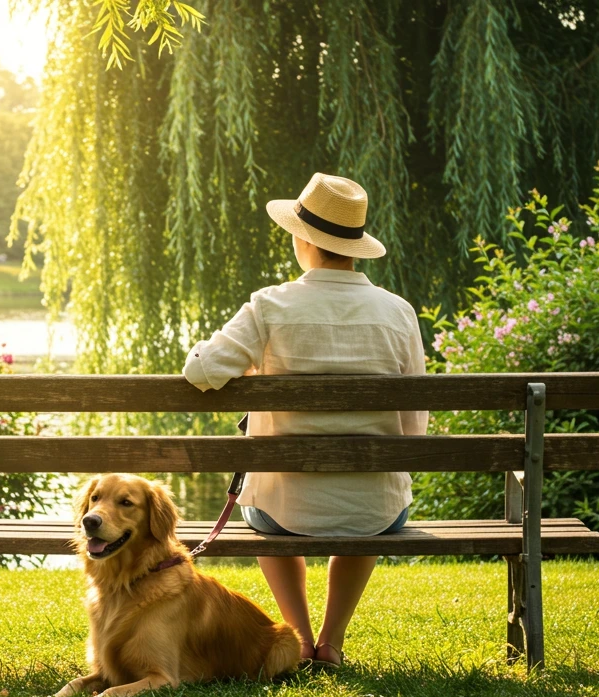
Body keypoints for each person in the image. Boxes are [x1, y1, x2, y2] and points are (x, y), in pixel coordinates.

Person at [182, 172, 427, 668]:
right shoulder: (398, 312)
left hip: (281, 512)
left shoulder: (269, 306)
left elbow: (201, 371)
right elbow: (415, 426)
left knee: (265, 516)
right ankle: (331, 642)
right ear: (355, 246)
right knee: (367, 513)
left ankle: (299, 635)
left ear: (303, 239)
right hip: (377, 513)